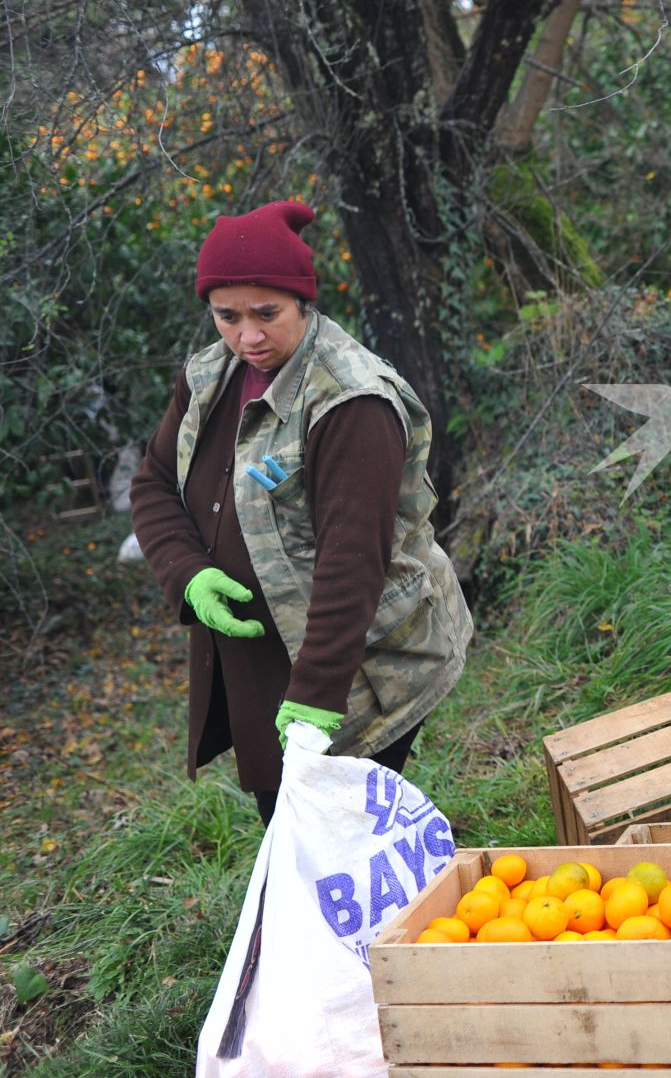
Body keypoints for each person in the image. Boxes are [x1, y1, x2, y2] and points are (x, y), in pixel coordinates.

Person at [130, 200, 470, 824]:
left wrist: (316, 701)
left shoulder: (350, 402)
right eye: (226, 316)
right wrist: (188, 571)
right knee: (292, 824)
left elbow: (353, 563)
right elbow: (153, 482)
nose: (247, 337)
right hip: (262, 655)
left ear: (303, 303)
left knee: (325, 832)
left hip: (358, 663)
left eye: (267, 314)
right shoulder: (210, 375)